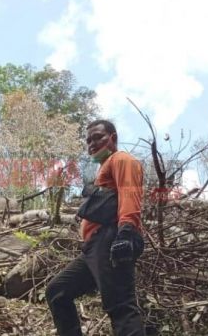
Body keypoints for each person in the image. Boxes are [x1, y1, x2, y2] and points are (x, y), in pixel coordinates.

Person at [46, 119, 145, 336]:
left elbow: (130, 194)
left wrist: (126, 232)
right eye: (89, 140)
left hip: (111, 238)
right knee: (58, 291)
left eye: (98, 137)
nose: (92, 143)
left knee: (120, 306)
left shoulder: (121, 159)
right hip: (94, 247)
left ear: (113, 138)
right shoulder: (101, 171)